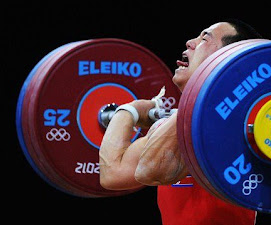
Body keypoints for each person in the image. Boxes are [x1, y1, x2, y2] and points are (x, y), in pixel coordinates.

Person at [99, 19, 262, 225]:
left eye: (205, 38)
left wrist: (131, 112)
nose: (189, 42)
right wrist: (129, 111)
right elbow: (112, 174)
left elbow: (149, 171)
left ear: (228, 58)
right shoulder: (179, 122)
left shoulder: (243, 119)